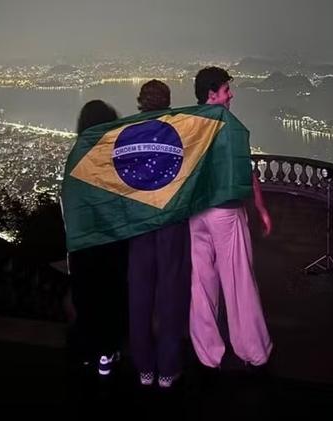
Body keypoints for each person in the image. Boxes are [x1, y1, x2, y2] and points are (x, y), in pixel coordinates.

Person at [189, 66, 273, 369]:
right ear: (212, 94)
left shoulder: (188, 124)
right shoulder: (230, 126)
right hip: (225, 211)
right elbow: (244, 170)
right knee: (238, 280)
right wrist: (261, 208)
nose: (231, 94)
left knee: (200, 283)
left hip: (195, 214)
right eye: (226, 90)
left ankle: (208, 353)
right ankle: (252, 350)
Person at [126, 80, 191, 388]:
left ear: (140, 102)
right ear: (167, 102)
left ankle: (144, 368)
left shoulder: (124, 134)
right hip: (170, 220)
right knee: (171, 292)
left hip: (139, 223)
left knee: (139, 294)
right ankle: (167, 368)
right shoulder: (178, 131)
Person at [64, 100, 128, 377]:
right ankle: (106, 353)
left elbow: (70, 198)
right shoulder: (110, 155)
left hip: (81, 243)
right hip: (110, 242)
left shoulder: (76, 153)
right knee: (111, 297)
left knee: (86, 298)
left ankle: (86, 353)